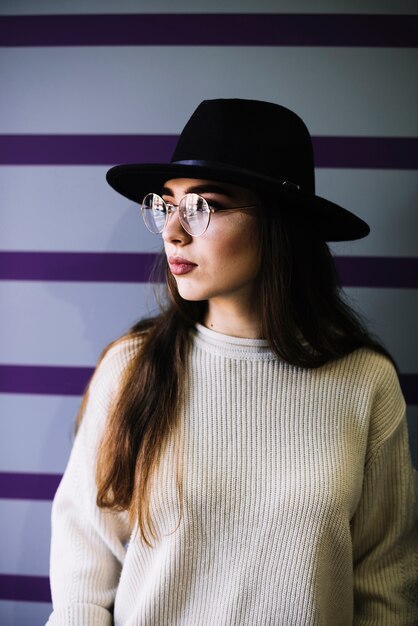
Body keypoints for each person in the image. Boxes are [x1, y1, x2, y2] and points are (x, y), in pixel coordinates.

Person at [46, 99, 418, 625]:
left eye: (205, 206)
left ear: (280, 224)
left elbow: (387, 589)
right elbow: (83, 582)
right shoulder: (131, 369)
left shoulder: (364, 382)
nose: (174, 231)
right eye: (167, 205)